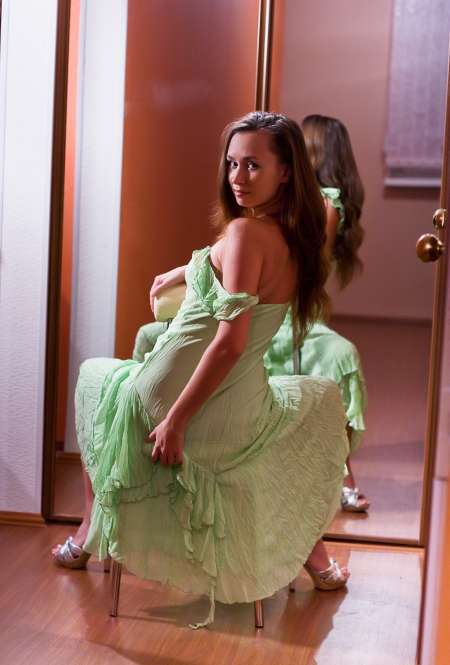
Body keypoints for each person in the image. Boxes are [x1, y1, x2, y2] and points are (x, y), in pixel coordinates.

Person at [53, 112, 350, 628]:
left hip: (176, 403)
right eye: (232, 163)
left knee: (95, 376)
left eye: (253, 165)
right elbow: (234, 264)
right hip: (235, 406)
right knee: (313, 406)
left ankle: (86, 533)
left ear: (286, 172)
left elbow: (230, 343)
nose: (237, 177)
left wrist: (176, 421)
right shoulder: (296, 233)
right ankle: (316, 558)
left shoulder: (245, 233)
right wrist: (186, 270)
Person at [264, 114, 368, 512]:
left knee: (334, 363)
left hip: (294, 308)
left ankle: (339, 475)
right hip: (282, 308)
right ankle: (340, 477)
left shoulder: (325, 205)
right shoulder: (308, 203)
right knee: (333, 363)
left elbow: (308, 269)